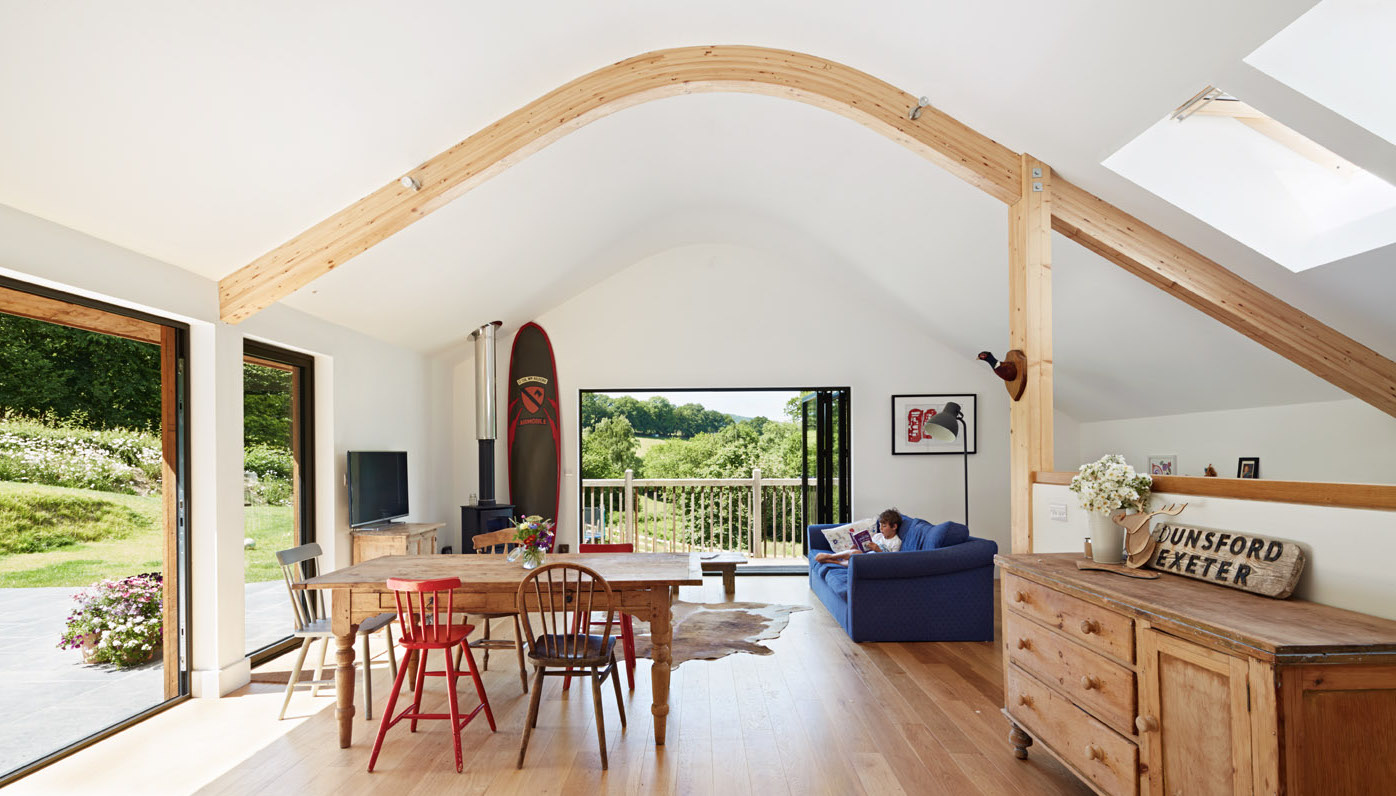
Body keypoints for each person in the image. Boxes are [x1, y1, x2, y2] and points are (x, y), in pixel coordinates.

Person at [814, 508, 903, 566]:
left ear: (894, 527)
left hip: (876, 564)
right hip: (865, 557)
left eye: (884, 526)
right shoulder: (878, 536)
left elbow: (892, 562)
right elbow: (866, 548)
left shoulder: (896, 542)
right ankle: (833, 560)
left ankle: (831, 557)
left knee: (856, 555)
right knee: (855, 552)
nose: (880, 529)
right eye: (880, 525)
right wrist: (858, 545)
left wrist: (878, 550)